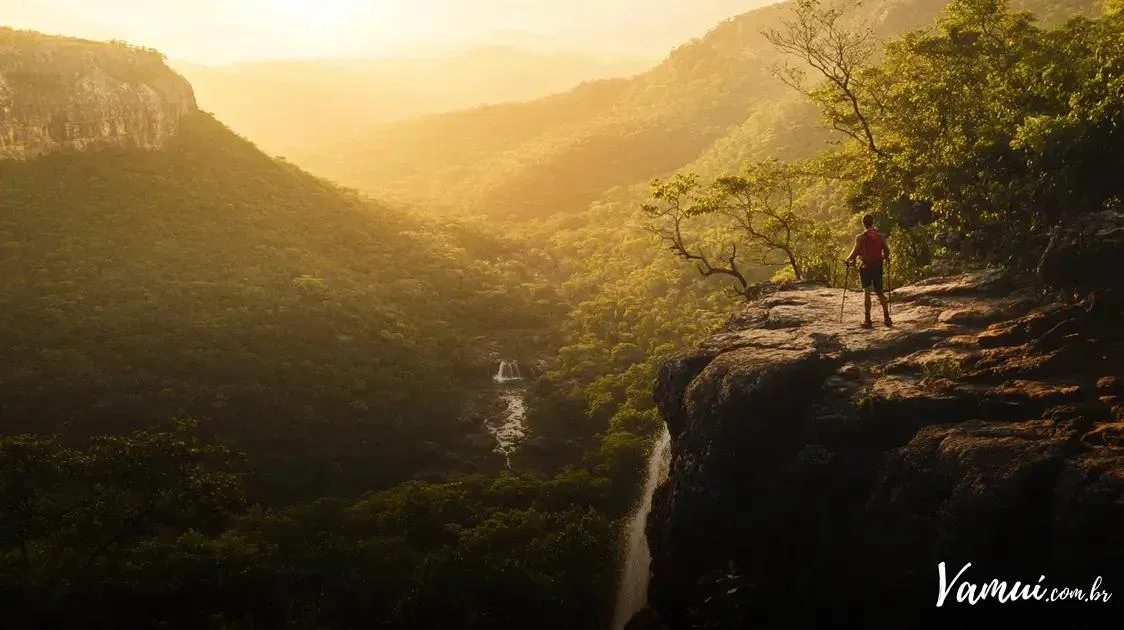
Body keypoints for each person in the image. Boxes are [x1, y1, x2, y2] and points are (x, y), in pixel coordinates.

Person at [845, 214, 892, 328]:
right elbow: (886, 250)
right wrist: (886, 259)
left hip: (865, 266)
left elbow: (855, 252)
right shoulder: (880, 236)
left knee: (866, 292)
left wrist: (848, 260)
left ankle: (867, 320)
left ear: (863, 223)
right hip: (877, 266)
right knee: (879, 291)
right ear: (872, 222)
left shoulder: (860, 237)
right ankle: (886, 317)